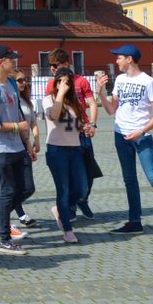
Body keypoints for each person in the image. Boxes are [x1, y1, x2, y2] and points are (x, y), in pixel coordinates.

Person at [95, 44, 153, 243]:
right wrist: (100, 92)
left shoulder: (148, 82)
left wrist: (141, 131)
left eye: (119, 57)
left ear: (130, 59)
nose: (116, 61)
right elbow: (111, 110)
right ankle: (134, 221)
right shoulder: (119, 79)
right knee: (129, 180)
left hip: (141, 137)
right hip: (120, 135)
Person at [0, 45, 35, 255]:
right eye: (12, 59)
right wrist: (14, 127)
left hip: (18, 146)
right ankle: (5, 239)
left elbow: (18, 115)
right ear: (1, 62)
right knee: (8, 190)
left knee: (27, 188)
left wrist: (27, 142)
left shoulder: (11, 83)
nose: (15, 62)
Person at [42, 69, 93, 243]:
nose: (64, 84)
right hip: (57, 150)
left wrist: (85, 128)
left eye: (67, 82)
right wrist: (60, 95)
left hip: (75, 149)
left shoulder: (74, 103)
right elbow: (54, 116)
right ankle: (68, 229)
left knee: (82, 188)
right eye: (60, 81)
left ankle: (59, 208)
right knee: (63, 189)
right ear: (55, 83)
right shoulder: (48, 100)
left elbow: (76, 125)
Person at [48, 49, 99, 219]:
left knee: (88, 170)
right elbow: (51, 110)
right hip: (66, 133)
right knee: (69, 173)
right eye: (50, 66)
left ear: (66, 64)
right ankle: (69, 207)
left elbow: (92, 103)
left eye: (55, 65)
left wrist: (92, 124)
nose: (52, 69)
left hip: (83, 131)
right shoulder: (51, 84)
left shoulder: (81, 81)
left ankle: (82, 199)